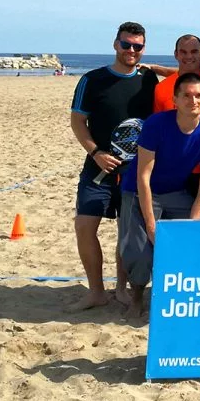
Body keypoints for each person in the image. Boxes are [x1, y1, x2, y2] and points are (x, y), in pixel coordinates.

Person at [70, 21, 158, 310]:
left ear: (143, 49)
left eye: (137, 46)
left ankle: (121, 288)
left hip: (135, 173)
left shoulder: (148, 81)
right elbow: (78, 121)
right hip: (98, 167)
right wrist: (95, 152)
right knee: (85, 226)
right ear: (115, 44)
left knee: (126, 232)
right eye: (126, 44)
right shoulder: (92, 80)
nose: (131, 50)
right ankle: (96, 291)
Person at [119, 72, 200, 318]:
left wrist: (192, 225)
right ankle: (137, 297)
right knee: (140, 250)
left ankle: (187, 293)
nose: (192, 101)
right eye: (186, 95)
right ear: (175, 99)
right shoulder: (156, 124)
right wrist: (151, 225)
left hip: (176, 192)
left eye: (198, 96)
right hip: (139, 190)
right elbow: (143, 176)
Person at [153, 34, 200, 212]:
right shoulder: (162, 88)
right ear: (175, 54)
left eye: (194, 51)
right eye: (183, 52)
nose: (188, 56)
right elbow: (157, 132)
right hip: (172, 167)